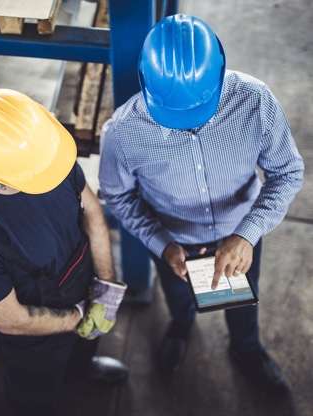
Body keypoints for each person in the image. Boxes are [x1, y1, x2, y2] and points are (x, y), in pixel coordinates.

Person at [99, 14, 304, 392]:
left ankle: (246, 349)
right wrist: (162, 244)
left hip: (241, 231)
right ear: (146, 83)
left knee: (244, 302)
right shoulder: (123, 134)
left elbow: (288, 172)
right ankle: (180, 328)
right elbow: (118, 195)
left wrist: (247, 235)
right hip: (174, 243)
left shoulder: (255, 101)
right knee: (179, 298)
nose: (187, 126)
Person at [0, 89, 128, 416]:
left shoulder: (45, 154)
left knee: (84, 347)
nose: (49, 174)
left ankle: (83, 369)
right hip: (34, 337)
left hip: (83, 285)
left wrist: (106, 287)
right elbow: (10, 319)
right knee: (35, 391)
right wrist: (78, 317)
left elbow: (91, 211)